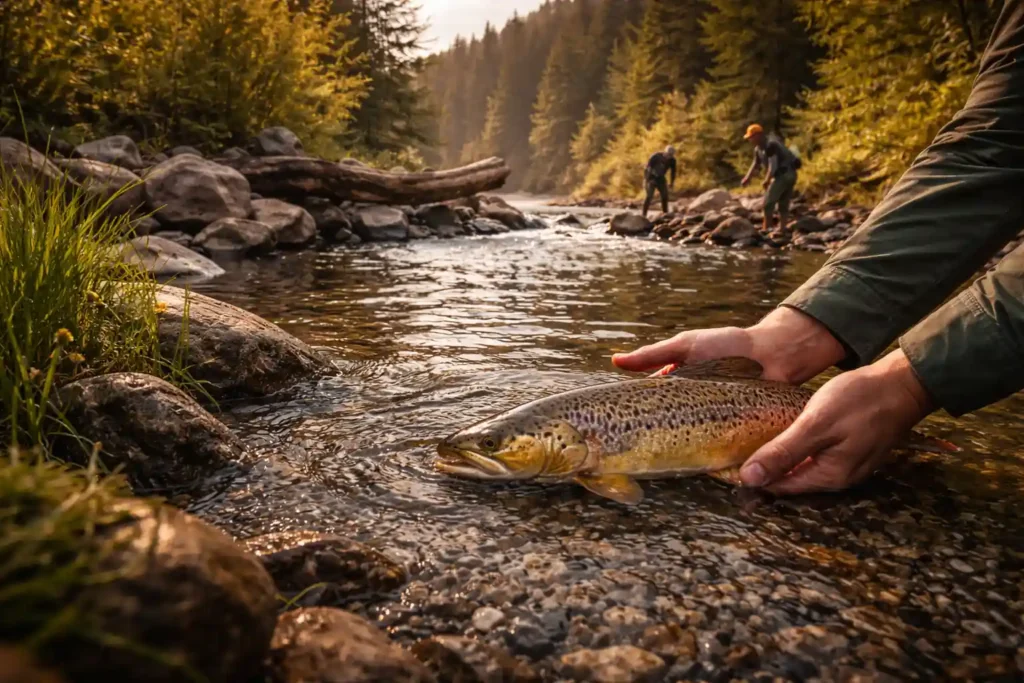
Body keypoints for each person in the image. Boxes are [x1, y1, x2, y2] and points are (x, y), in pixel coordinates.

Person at [612, 0, 1024, 496]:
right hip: (780, 180)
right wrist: (797, 331)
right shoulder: (754, 147)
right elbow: (991, 150)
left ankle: (777, 222)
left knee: (776, 201)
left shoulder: (774, 148)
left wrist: (910, 382)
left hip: (789, 177)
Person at [740, 124, 800, 232]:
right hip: (791, 175)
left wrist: (767, 180)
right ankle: (782, 229)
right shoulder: (758, 148)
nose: (750, 140)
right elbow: (755, 164)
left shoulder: (770, 145)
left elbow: (773, 166)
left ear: (758, 135)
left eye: (751, 137)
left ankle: (766, 228)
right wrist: (747, 178)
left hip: (784, 176)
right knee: (783, 203)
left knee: (768, 203)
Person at [642, 145, 677, 218]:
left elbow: (673, 172)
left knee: (665, 196)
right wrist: (648, 180)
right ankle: (643, 215)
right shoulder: (656, 156)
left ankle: (665, 214)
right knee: (649, 196)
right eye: (668, 154)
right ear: (665, 152)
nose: (669, 157)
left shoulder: (672, 161)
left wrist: (671, 183)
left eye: (671, 155)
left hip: (661, 178)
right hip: (650, 177)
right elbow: (647, 168)